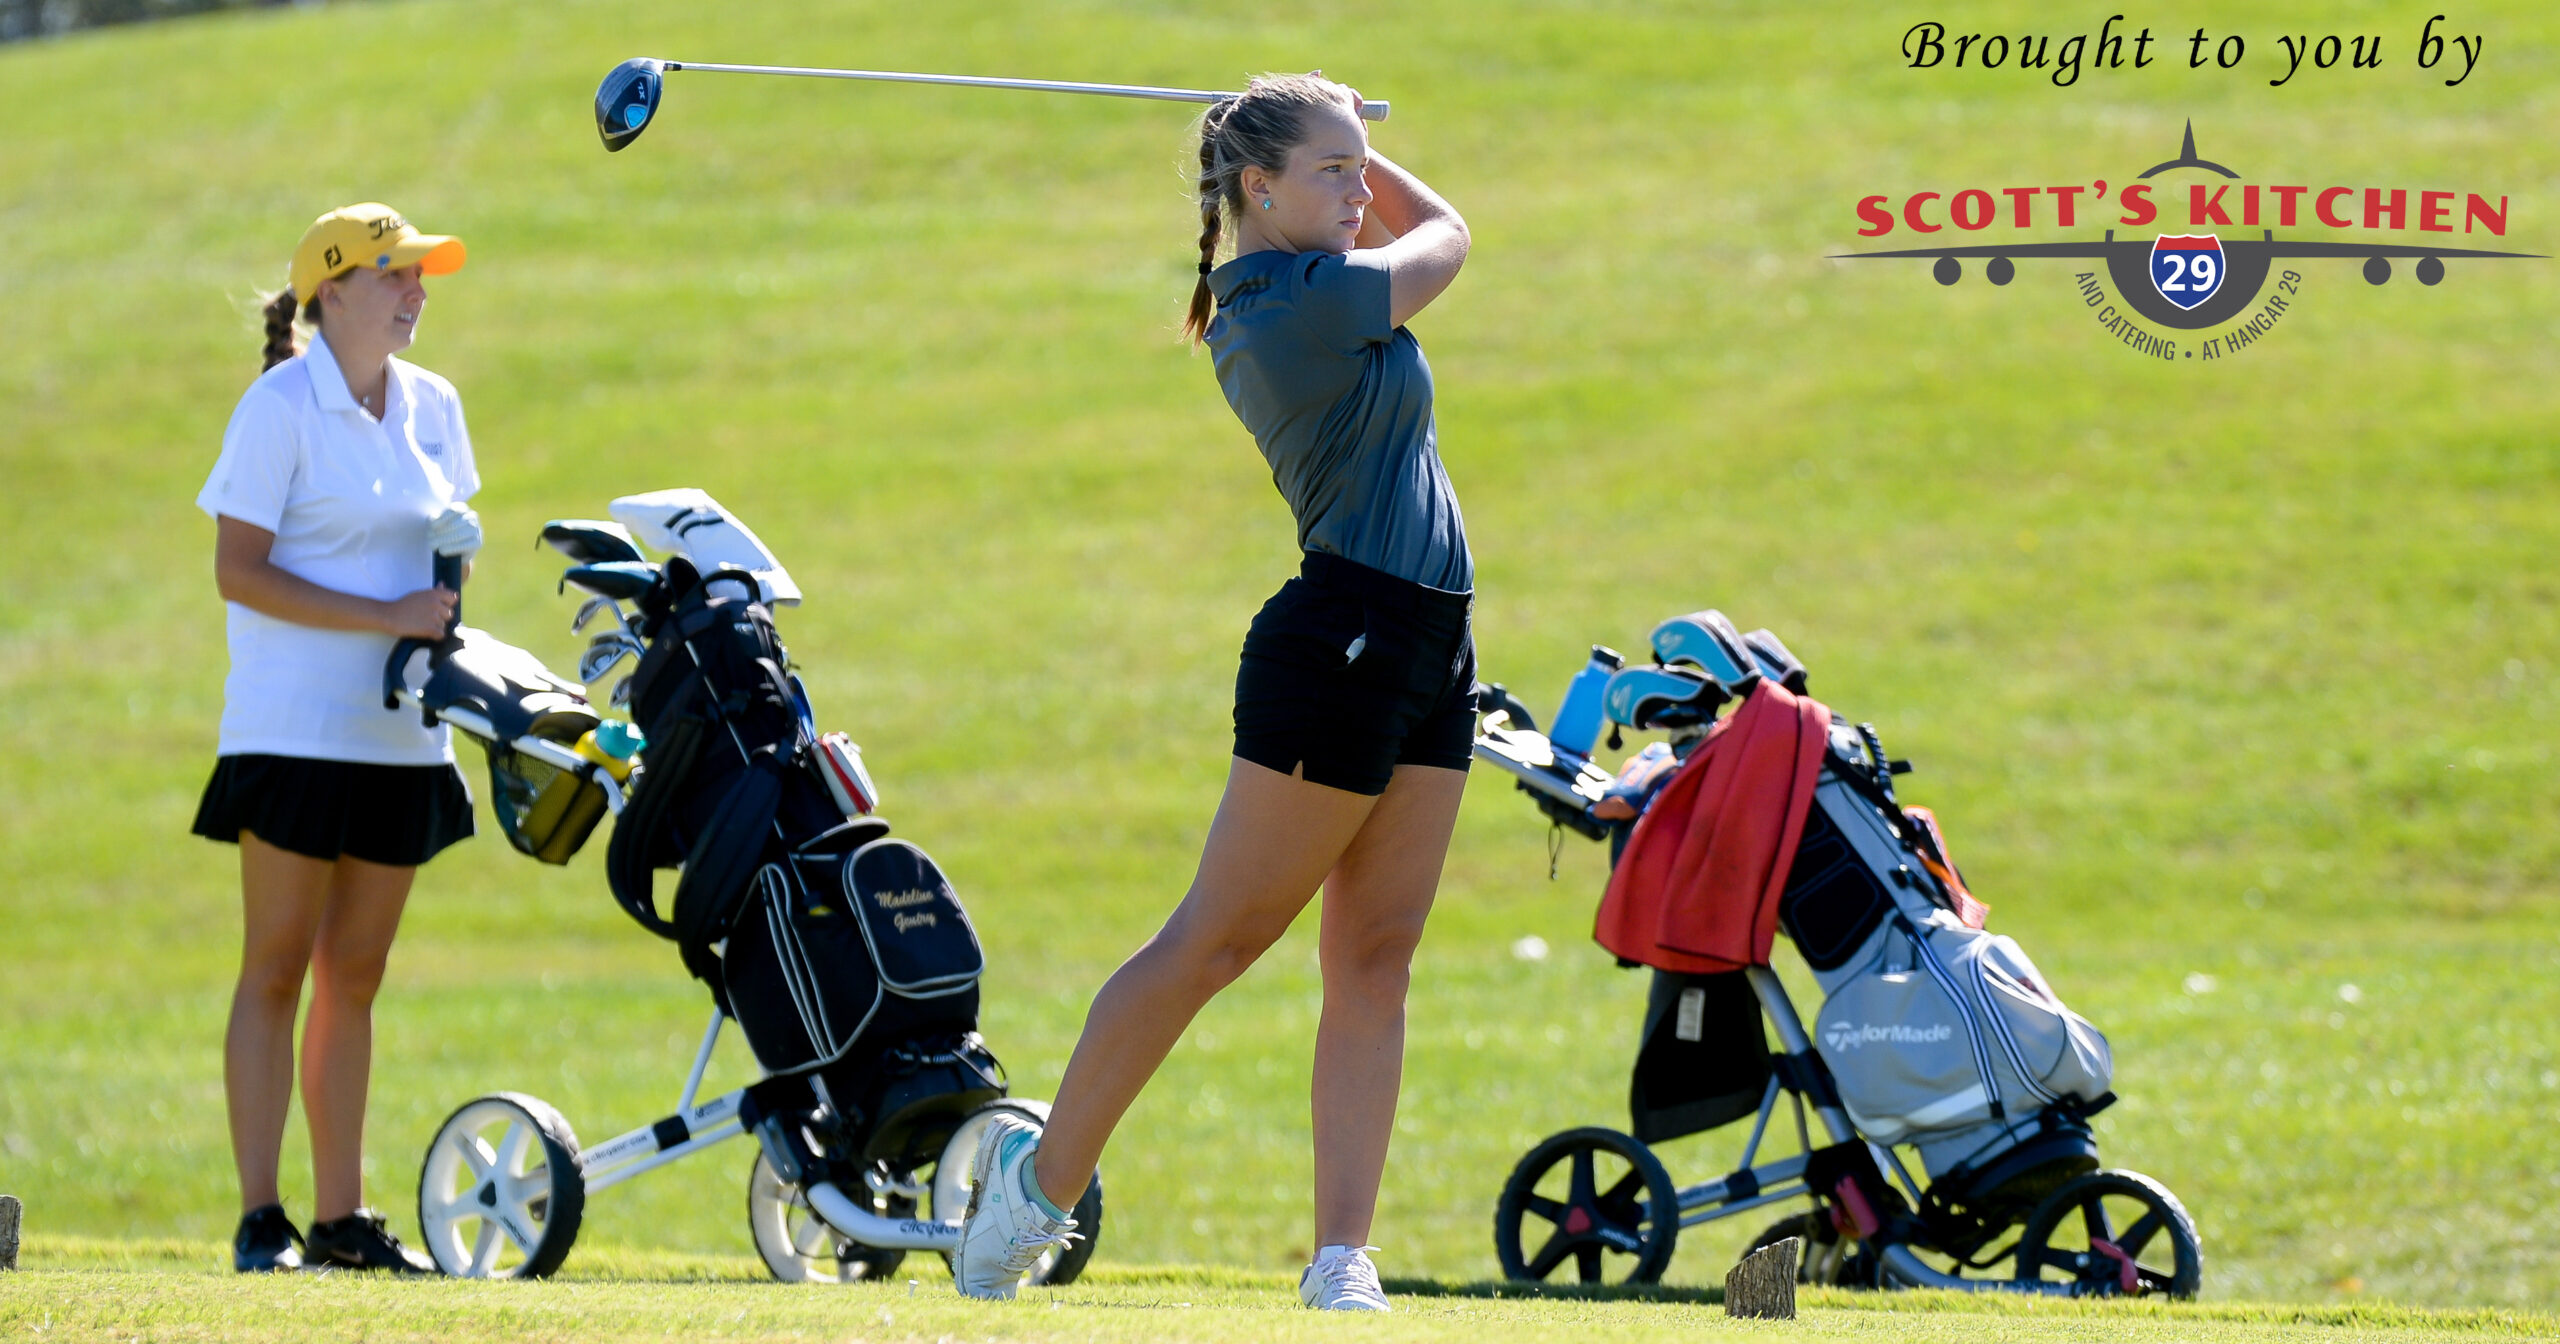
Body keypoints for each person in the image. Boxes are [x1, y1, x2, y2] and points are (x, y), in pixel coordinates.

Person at [955, 74, 1473, 1310]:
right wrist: (1365, 143)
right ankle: (1035, 1192)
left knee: (1377, 957)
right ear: (1258, 188)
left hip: (1427, 641)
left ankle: (1342, 1258)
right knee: (1216, 942)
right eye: (1331, 172)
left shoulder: (1311, 273)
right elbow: (1449, 237)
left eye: (1358, 170)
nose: (1357, 190)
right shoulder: (1292, 299)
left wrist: (1334, 134)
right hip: (1341, 640)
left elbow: (1396, 226)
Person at [192, 203, 482, 1272]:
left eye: (419, 274)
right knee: (275, 968)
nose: (416, 291)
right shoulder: (278, 406)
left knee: (354, 976)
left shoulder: (436, 404)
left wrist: (443, 608)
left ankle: (341, 1222)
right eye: (395, 273)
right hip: (292, 733)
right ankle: (261, 1219)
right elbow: (238, 572)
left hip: (401, 735)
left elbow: (449, 549)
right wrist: (384, 617)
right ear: (335, 290)